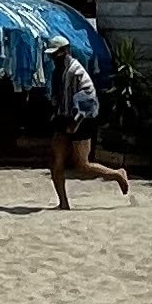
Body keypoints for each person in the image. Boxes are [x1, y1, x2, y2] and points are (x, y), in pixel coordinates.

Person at [47, 41, 128, 205]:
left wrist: (76, 121)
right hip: (62, 117)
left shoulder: (76, 71)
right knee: (56, 162)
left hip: (82, 120)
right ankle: (63, 203)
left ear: (65, 51)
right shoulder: (57, 72)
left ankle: (117, 174)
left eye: (57, 53)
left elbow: (89, 97)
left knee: (82, 165)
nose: (54, 57)